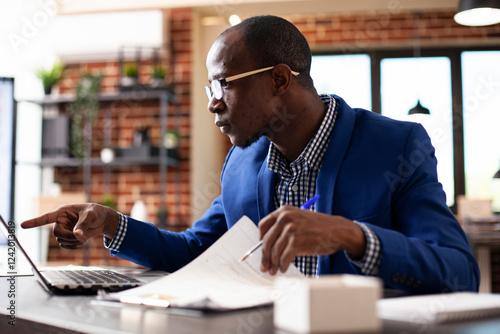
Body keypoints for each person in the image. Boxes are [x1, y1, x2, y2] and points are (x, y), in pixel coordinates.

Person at [22, 15, 479, 293]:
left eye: (224, 84)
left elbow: (460, 271)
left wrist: (351, 236)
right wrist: (112, 223)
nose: (212, 102)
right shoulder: (242, 163)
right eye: (210, 87)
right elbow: (196, 252)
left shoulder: (395, 145)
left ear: (279, 79)